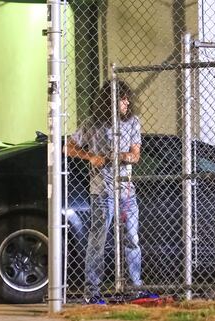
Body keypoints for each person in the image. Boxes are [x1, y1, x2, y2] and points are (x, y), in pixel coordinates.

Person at [66, 80, 143, 304]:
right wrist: (90, 156)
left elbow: (135, 155)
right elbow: (68, 146)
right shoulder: (93, 124)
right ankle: (92, 291)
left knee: (132, 237)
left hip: (126, 191)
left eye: (128, 98)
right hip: (101, 192)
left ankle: (135, 287)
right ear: (110, 100)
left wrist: (120, 155)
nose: (127, 102)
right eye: (122, 98)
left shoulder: (132, 122)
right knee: (98, 240)